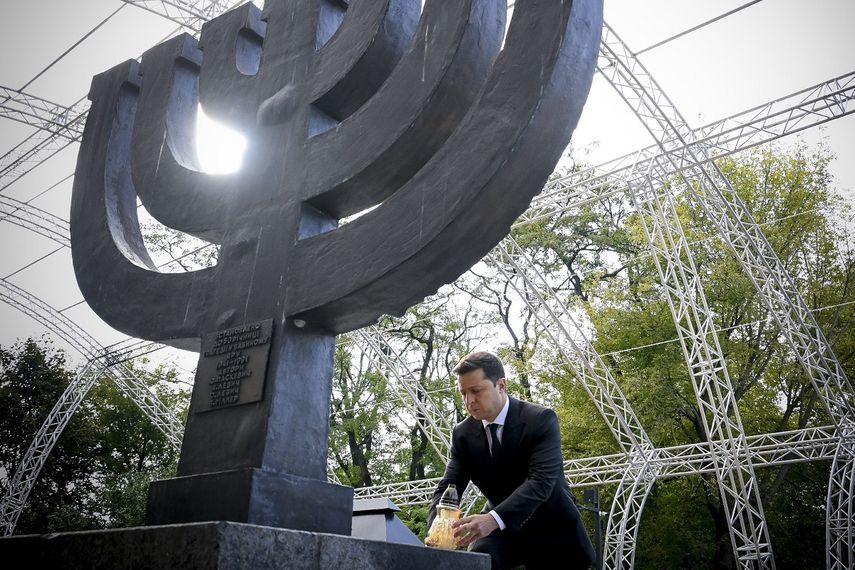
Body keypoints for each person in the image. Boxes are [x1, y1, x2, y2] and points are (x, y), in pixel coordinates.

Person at [426, 351, 595, 569]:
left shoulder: (541, 419)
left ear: (501, 385)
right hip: (500, 530)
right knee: (476, 564)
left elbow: (541, 482)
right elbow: (449, 486)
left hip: (552, 528)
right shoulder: (462, 434)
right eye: (463, 393)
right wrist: (436, 532)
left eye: (476, 391)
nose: (469, 401)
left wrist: (492, 519)